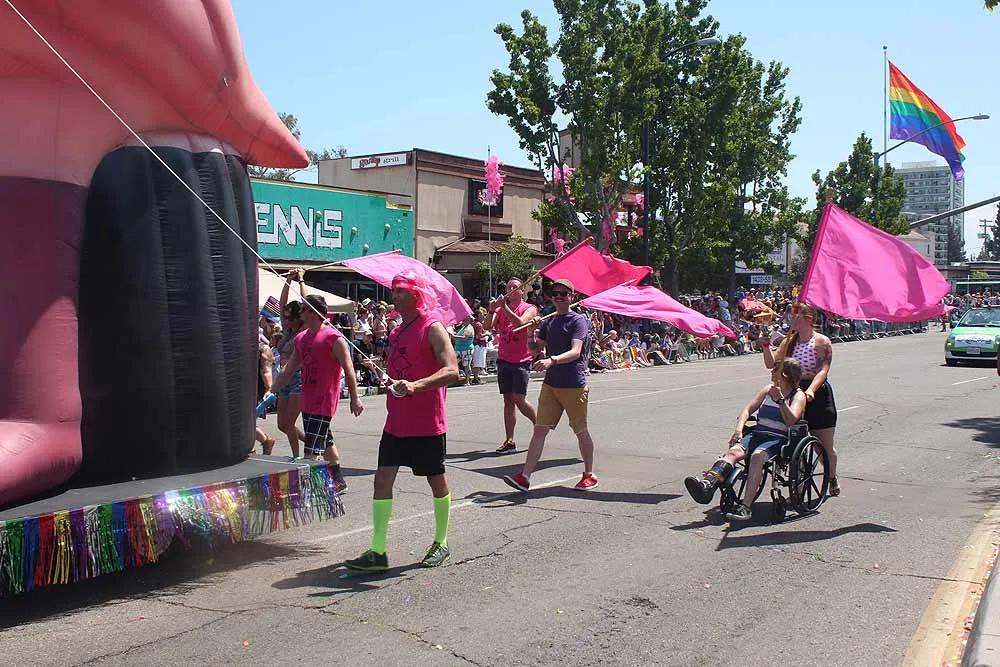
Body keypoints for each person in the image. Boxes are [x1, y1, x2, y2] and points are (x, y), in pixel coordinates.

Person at [345, 272, 460, 572]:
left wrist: (414, 386)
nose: (394, 295)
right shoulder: (396, 332)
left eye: (401, 291)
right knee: (382, 479)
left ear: (416, 294)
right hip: (396, 421)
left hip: (426, 421)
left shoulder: (433, 327)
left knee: (435, 479)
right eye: (394, 290)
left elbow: (452, 371)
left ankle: (441, 541)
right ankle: (378, 551)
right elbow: (400, 370)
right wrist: (384, 374)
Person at [502, 279, 598, 492]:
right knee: (539, 430)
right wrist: (531, 332)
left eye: (564, 294)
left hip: (573, 384)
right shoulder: (549, 321)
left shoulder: (578, 320)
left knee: (580, 430)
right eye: (555, 294)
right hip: (551, 384)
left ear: (572, 297)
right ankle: (524, 476)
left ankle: (589, 474)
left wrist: (551, 360)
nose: (559, 297)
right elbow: (534, 350)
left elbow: (576, 351)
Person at [683, 359, 807, 520]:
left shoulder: (798, 395)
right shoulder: (768, 390)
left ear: (783, 375)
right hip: (758, 433)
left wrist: (781, 401)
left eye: (774, 370)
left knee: (757, 457)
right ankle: (707, 485)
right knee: (733, 453)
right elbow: (747, 410)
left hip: (779, 438)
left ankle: (745, 507)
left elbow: (791, 420)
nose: (771, 372)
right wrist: (738, 430)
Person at [270, 294, 363, 493]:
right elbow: (289, 369)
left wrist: (354, 398)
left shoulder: (333, 338)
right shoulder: (301, 338)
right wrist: (272, 390)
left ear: (313, 312)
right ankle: (338, 481)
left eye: (304, 309)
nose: (300, 313)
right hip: (308, 399)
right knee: (325, 440)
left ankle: (308, 490)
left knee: (311, 451)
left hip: (324, 400)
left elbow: (349, 369)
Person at [758, 302, 840, 496]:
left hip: (816, 393)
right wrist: (765, 346)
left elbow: (823, 370)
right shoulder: (789, 341)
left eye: (796, 315)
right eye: (791, 315)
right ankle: (799, 487)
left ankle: (831, 476)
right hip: (793, 392)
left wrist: (810, 390)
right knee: (796, 442)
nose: (792, 319)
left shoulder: (821, 341)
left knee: (824, 446)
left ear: (808, 318)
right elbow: (772, 364)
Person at [486, 278, 539, 453]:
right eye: (509, 286)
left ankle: (539, 425)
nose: (511, 289)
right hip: (504, 359)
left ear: (522, 291)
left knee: (519, 398)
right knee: (508, 401)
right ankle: (509, 440)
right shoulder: (501, 309)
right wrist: (491, 310)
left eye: (515, 287)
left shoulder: (529, 308)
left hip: (521, 360)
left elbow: (520, 324)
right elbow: (487, 326)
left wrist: (504, 307)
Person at [451, 315, 476, 384]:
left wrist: (454, 336)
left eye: (465, 320)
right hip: (458, 349)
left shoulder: (469, 328)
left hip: (466, 349)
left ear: (469, 320)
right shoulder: (463, 327)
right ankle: (456, 377)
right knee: (454, 363)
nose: (463, 321)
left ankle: (467, 381)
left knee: (466, 365)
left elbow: (464, 338)